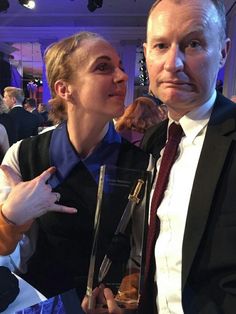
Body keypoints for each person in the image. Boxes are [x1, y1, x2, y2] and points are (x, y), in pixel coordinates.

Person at [83, 0, 236, 313]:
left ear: (223, 52)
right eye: (161, 45)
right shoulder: (154, 141)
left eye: (193, 44)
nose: (173, 63)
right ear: (146, 53)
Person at [0, 32, 150, 300]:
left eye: (121, 67)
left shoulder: (141, 164)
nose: (122, 77)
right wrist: (10, 218)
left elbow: (143, 255)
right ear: (63, 88)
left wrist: (127, 293)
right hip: (41, 303)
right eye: (103, 67)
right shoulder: (23, 156)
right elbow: (8, 257)